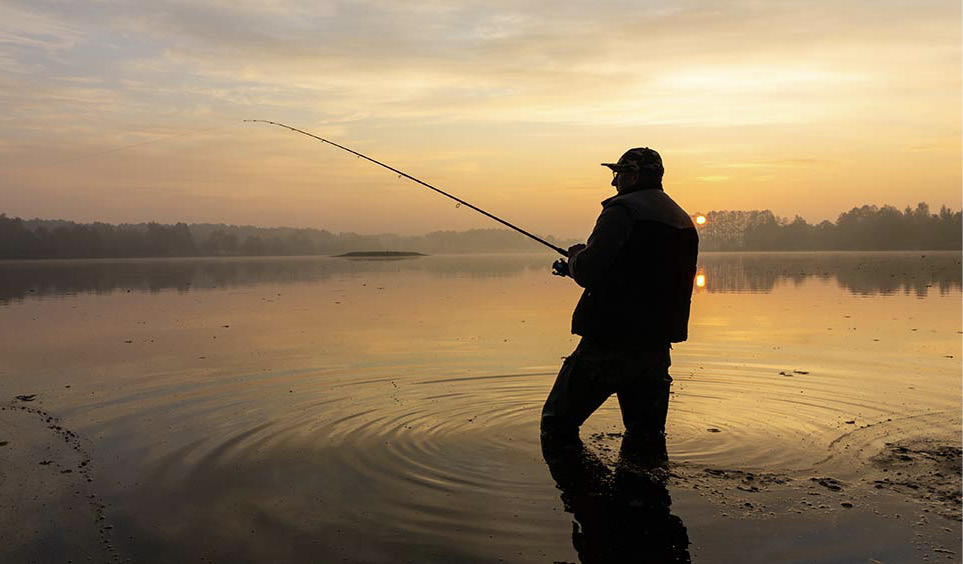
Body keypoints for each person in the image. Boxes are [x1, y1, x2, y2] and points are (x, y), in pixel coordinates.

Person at [541, 147, 699, 447]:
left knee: (556, 424)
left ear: (634, 175)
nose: (614, 182)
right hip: (655, 345)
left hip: (609, 342)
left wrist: (574, 260)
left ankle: (579, 491)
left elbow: (588, 271)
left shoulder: (623, 210)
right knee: (646, 436)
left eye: (618, 173)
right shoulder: (682, 220)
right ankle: (644, 490)